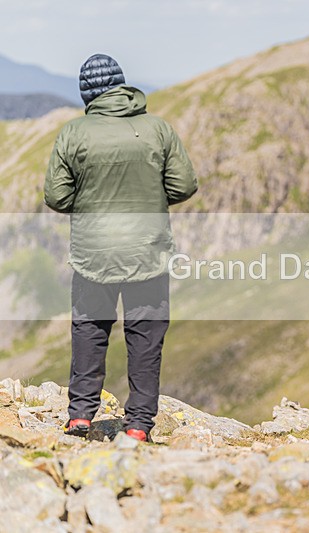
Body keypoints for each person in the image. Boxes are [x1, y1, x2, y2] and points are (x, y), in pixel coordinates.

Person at [44, 54, 197, 442]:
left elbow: (57, 196)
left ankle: (80, 416)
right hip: (148, 251)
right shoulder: (158, 129)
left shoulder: (73, 134)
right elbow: (183, 186)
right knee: (146, 335)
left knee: (90, 329)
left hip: (93, 253)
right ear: (123, 86)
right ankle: (139, 424)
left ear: (87, 94)